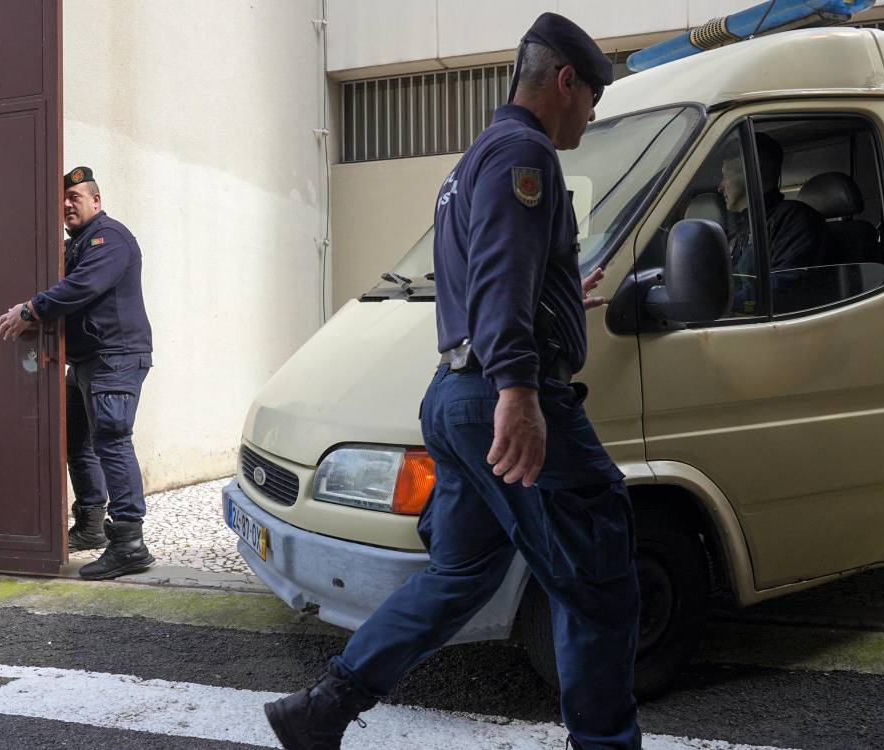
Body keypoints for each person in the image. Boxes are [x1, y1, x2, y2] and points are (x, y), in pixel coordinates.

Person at [264, 14, 641, 750]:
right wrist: (520, 390)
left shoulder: (477, 157)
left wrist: (565, 298)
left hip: (454, 394)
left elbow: (483, 274)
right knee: (596, 576)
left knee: (463, 574)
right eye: (591, 99)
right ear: (565, 81)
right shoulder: (522, 156)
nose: (590, 117)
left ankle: (324, 707)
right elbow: (500, 276)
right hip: (498, 396)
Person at [0, 166, 156, 581]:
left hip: (114, 358)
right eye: (63, 200)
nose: (68, 204)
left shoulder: (110, 238)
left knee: (113, 442)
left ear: (96, 201)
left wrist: (30, 309)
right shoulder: (77, 245)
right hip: (87, 360)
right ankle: (89, 525)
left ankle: (130, 545)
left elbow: (84, 287)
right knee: (78, 443)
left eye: (77, 197)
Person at [721, 132, 828, 275]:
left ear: (752, 172)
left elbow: (783, 287)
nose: (720, 186)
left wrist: (726, 297)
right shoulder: (742, 227)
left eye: (725, 175)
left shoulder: (793, 220)